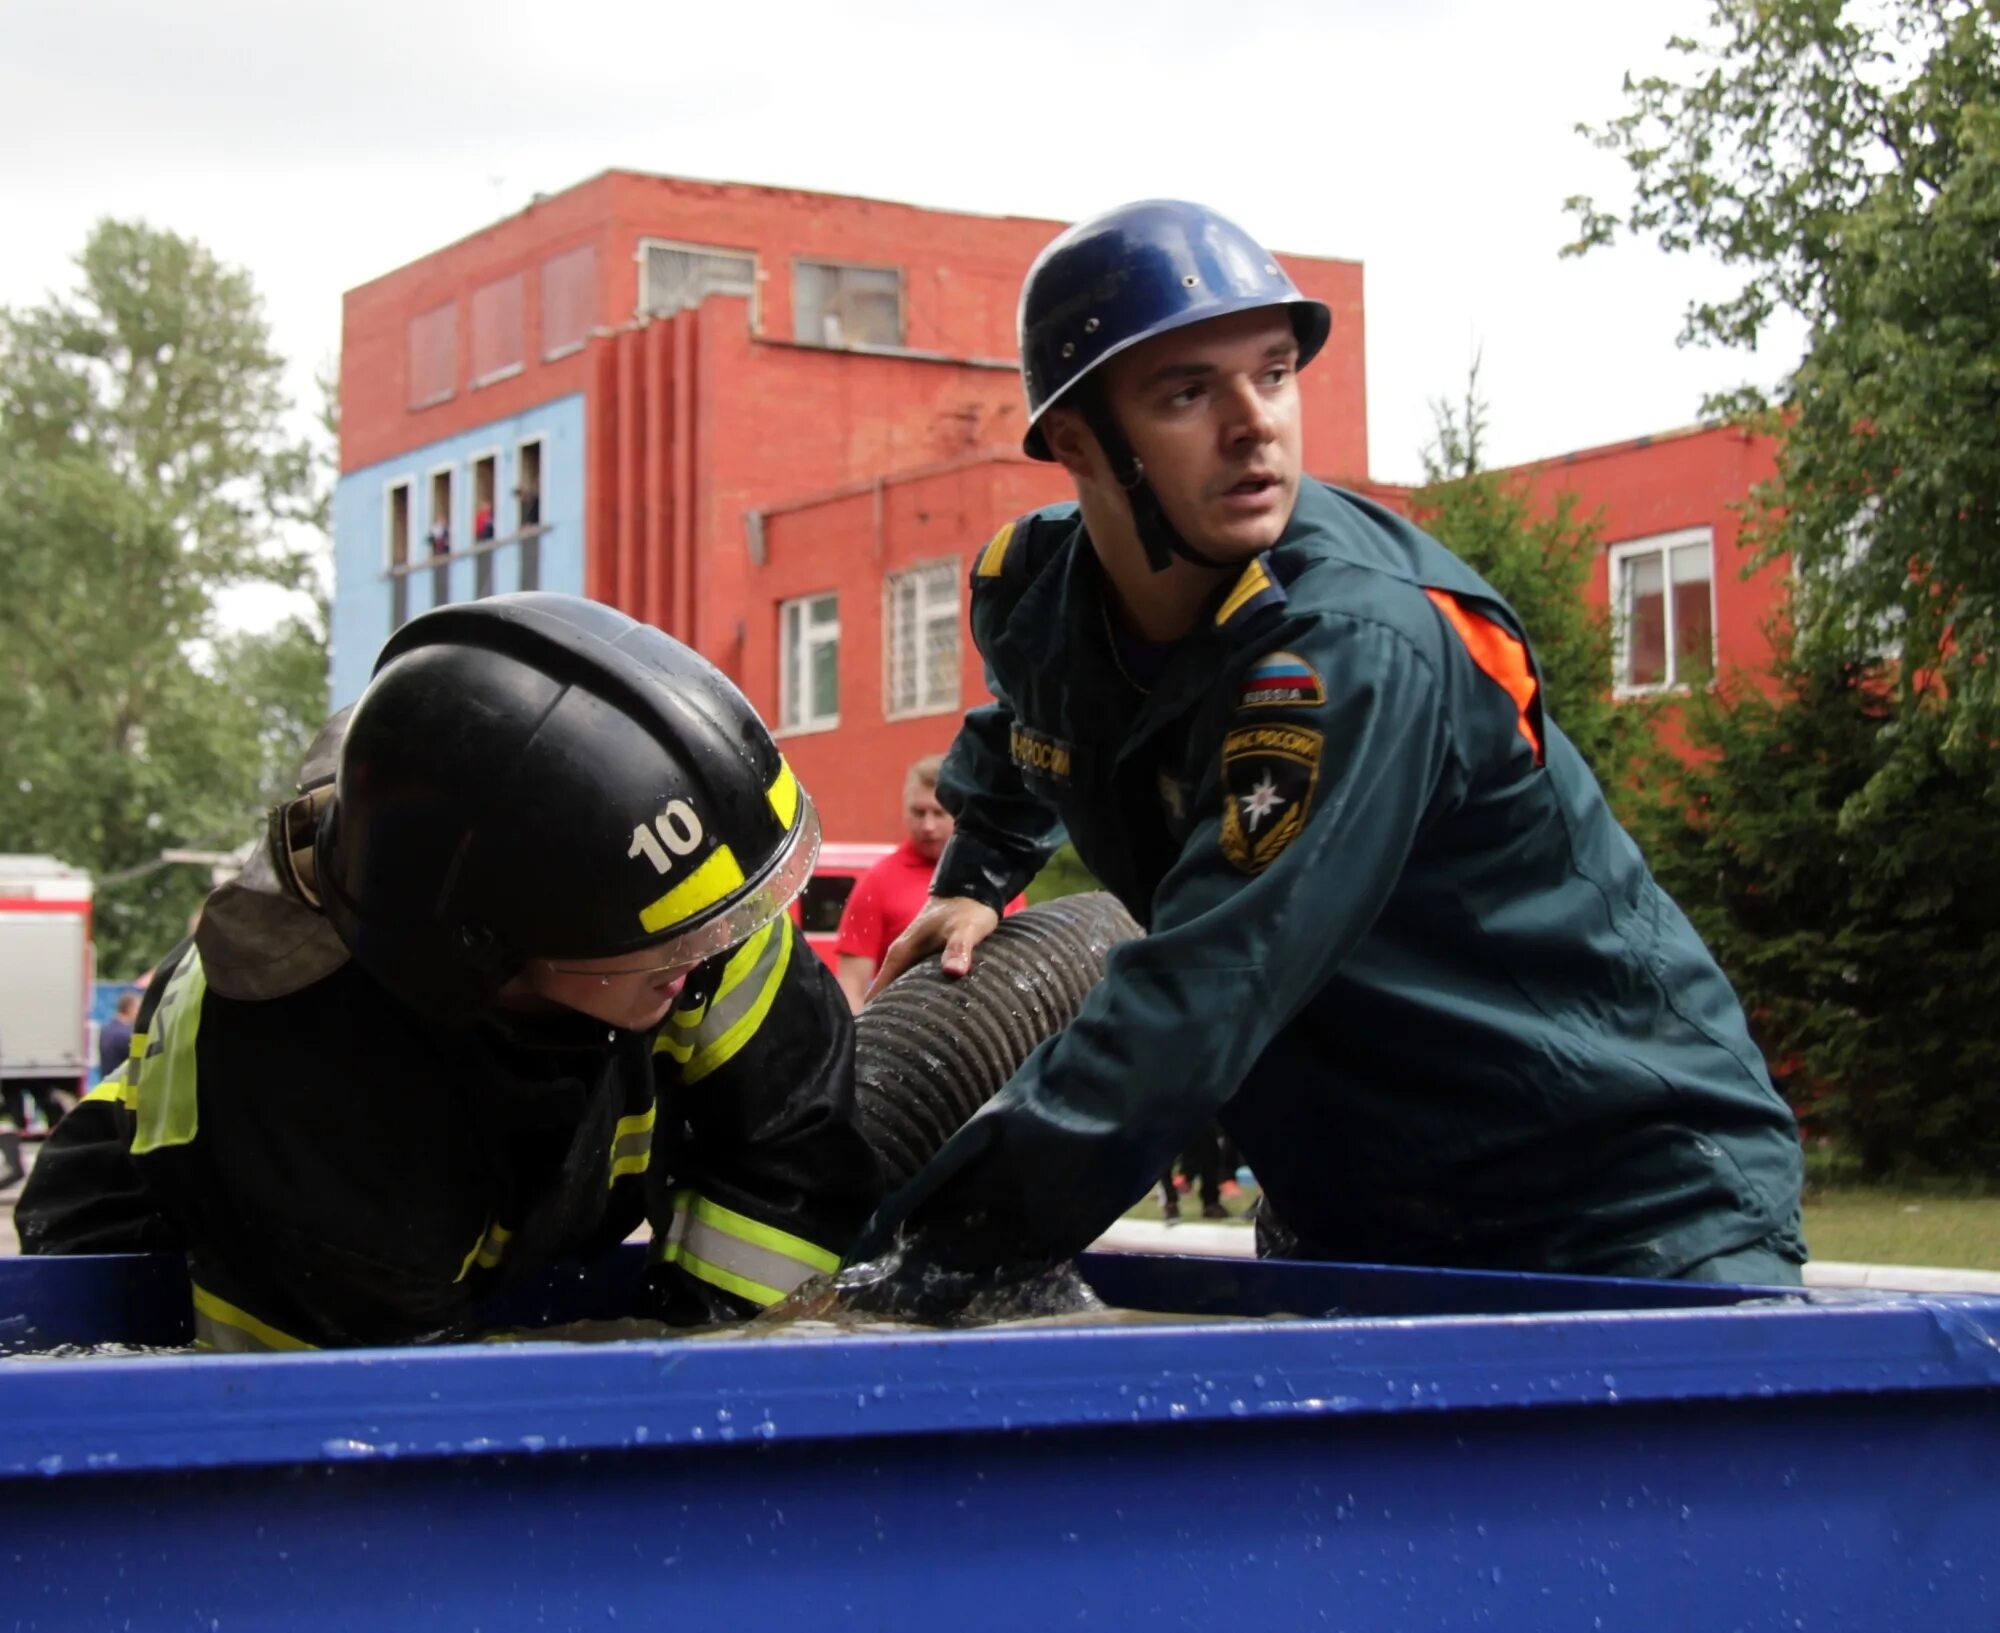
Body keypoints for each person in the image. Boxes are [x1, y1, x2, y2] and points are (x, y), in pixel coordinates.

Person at [853, 200, 1806, 1308]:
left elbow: (1199, 999)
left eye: (1271, 373)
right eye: (1186, 392)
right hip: (1366, 1211)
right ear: (1075, 441)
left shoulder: (1343, 645)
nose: (1253, 424)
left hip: (1616, 1205)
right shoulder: (1041, 592)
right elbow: (1029, 720)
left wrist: (915, 1264)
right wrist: (974, 879)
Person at [18, 594, 885, 1350]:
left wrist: (711, 1371)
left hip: (489, 1233)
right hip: (174, 1264)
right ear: (485, 942)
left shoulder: (694, 898)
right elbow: (370, 1425)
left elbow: (793, 1159)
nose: (713, 954)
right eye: (670, 946)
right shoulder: (309, 1075)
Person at [832, 755, 956, 1012]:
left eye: (939, 813)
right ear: (904, 809)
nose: (928, 826)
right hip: (903, 1032)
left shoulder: (991, 879)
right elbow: (851, 986)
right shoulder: (877, 883)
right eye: (918, 812)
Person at [97, 990, 140, 1080]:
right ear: (130, 1009)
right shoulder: (126, 1035)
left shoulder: (107, 1030)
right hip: (119, 1088)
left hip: (106, 1086)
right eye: (138, 1008)